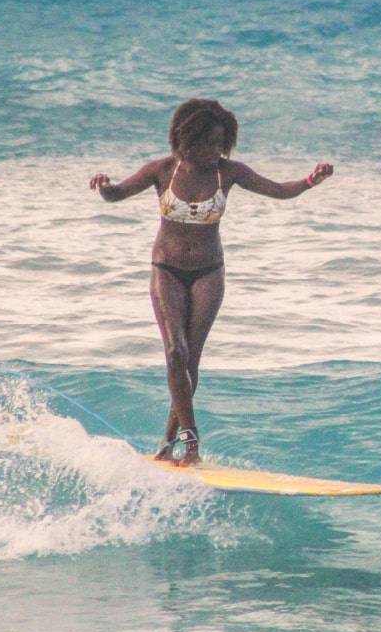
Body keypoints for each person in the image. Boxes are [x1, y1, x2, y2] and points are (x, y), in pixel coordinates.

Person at [88, 98, 334, 466]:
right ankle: (191, 441)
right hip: (166, 270)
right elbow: (117, 195)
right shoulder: (162, 170)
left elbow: (279, 190)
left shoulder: (228, 172)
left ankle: (169, 442)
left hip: (209, 272)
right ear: (187, 140)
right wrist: (104, 185)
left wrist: (311, 180)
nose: (215, 150)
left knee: (190, 362)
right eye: (208, 143)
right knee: (175, 351)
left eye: (221, 142)